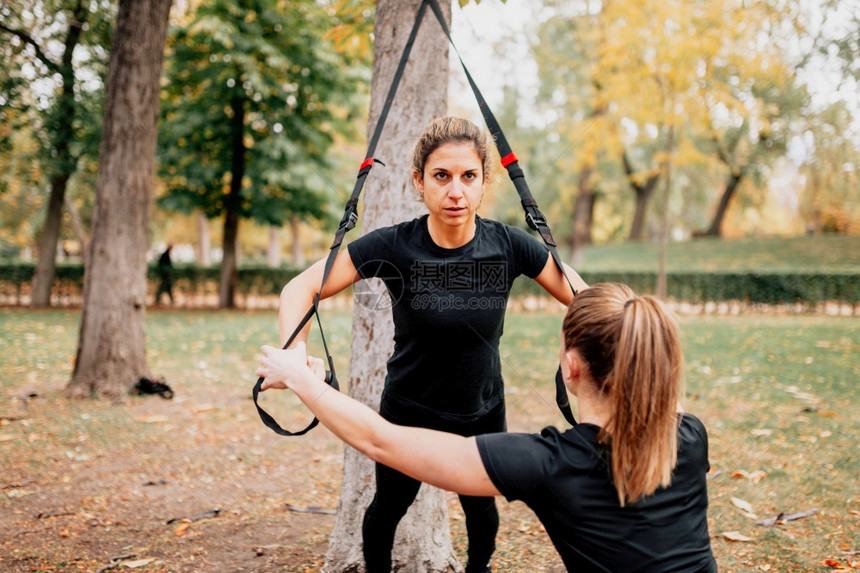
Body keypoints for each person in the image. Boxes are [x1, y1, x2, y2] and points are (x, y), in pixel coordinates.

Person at [277, 116, 588, 573]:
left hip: (481, 410)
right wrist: (293, 358)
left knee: (482, 514)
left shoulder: (510, 246)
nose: (456, 192)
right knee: (385, 512)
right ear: (419, 181)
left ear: (485, 182)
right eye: (441, 176)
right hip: (408, 415)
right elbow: (299, 289)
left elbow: (590, 303)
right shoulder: (395, 246)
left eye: (468, 176)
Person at [257, 283, 718, 572]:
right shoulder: (691, 437)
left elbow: (383, 441)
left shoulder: (553, 464)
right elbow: (657, 383)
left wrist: (301, 378)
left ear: (571, 367)